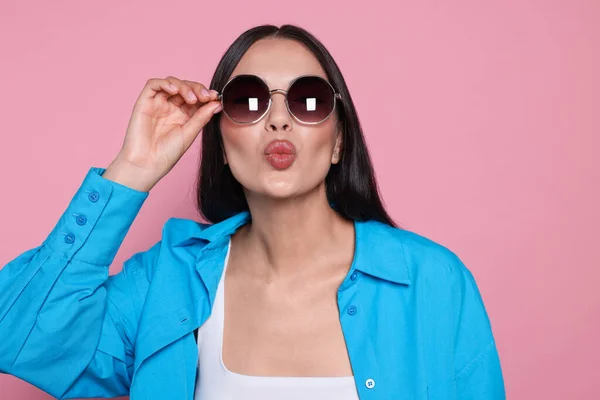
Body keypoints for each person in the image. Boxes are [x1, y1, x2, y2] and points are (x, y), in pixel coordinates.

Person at [0, 24, 505, 399]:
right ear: (219, 141)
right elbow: (20, 335)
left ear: (338, 142)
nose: (279, 120)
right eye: (248, 101)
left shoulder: (433, 282)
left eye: (308, 101)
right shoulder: (166, 280)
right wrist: (132, 170)